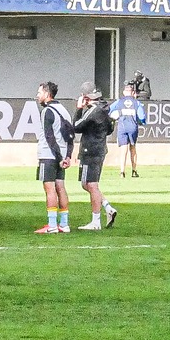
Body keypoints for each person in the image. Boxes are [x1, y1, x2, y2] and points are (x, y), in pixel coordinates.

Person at [73, 82, 117, 230]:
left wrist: (79, 109)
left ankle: (96, 221)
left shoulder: (93, 111)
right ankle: (107, 207)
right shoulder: (105, 109)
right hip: (100, 150)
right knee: (87, 184)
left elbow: (76, 126)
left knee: (91, 185)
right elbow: (110, 129)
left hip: (90, 151)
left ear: (85, 97)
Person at [35, 81, 75, 234]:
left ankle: (52, 225)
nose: (37, 96)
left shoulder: (47, 111)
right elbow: (70, 136)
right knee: (61, 187)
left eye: (39, 93)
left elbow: (49, 136)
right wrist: (67, 156)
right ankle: (64, 224)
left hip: (49, 155)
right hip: (62, 155)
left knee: (49, 188)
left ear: (46, 93)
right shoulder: (64, 110)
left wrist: (58, 157)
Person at [112, 83, 145, 177]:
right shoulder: (136, 103)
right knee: (133, 148)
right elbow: (142, 117)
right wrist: (141, 122)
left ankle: (122, 172)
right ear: (133, 92)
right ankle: (134, 171)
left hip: (122, 127)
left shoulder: (119, 101)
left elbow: (110, 111)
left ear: (123, 92)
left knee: (123, 149)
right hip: (132, 127)